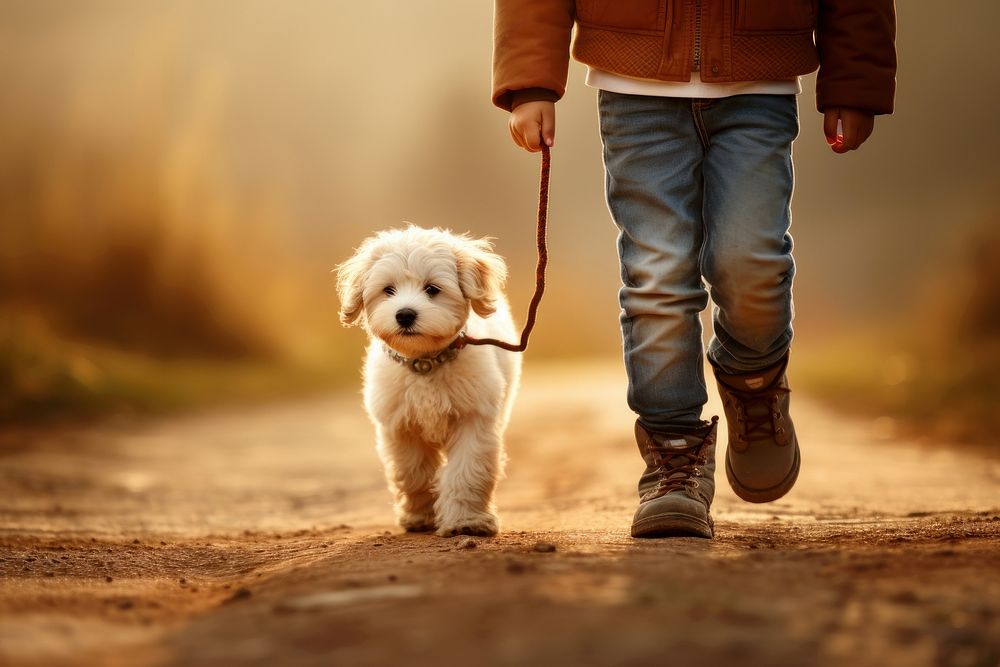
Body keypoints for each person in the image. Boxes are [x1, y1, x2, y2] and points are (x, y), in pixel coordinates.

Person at [492, 1, 896, 538]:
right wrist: (531, 83)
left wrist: (854, 81)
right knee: (657, 274)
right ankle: (674, 460)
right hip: (635, 88)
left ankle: (753, 378)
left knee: (750, 259)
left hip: (761, 85)